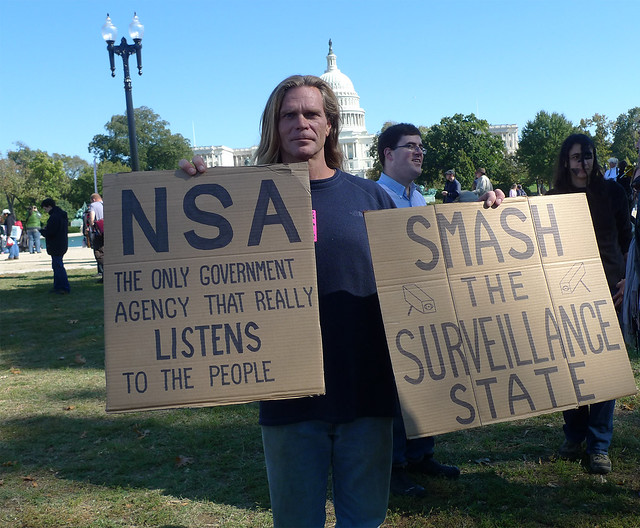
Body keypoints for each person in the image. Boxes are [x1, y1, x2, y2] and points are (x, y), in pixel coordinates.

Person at [181, 75, 399, 527]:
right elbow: (192, 271)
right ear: (273, 126)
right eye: (288, 114)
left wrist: (492, 215)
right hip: (289, 401)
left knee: (365, 522)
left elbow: (429, 271)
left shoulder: (373, 198)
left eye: (311, 113)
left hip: (367, 394)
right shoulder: (237, 203)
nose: (301, 123)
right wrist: (181, 193)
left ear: (331, 124)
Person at [375, 123, 461, 498]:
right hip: (388, 310)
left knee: (427, 380)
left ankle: (421, 453)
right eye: (410, 146)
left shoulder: (419, 199)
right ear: (387, 154)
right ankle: (393, 466)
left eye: (421, 146)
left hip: (424, 308)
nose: (419, 152)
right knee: (395, 392)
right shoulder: (373, 196)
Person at [547, 134, 631, 474]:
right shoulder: (552, 199)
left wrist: (628, 280)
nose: (585, 163)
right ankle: (574, 433)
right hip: (566, 293)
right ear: (566, 161)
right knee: (570, 366)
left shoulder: (613, 193)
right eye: (578, 157)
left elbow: (626, 240)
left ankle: (599, 444)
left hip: (610, 289)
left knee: (604, 369)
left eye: (590, 156)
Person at [40, 198, 70, 295]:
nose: (45, 211)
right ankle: (58, 286)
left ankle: (64, 287)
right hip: (61, 243)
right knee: (57, 265)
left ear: (49, 206)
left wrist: (42, 231)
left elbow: (51, 232)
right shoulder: (61, 215)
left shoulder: (54, 217)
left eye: (45, 209)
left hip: (56, 244)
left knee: (58, 266)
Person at [86, 193, 104, 280]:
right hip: (108, 231)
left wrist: (91, 225)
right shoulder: (105, 204)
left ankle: (104, 273)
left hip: (99, 232)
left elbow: (92, 219)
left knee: (98, 253)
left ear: (93, 199)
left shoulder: (93, 205)